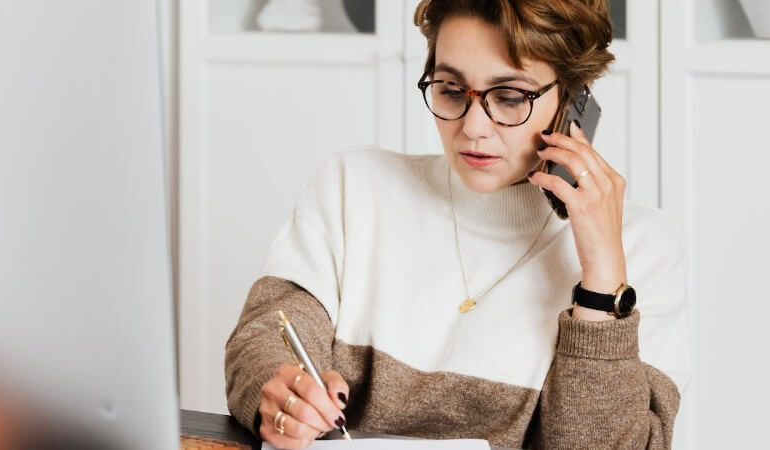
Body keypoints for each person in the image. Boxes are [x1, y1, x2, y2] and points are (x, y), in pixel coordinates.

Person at [225, 1, 689, 449]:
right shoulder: (354, 188)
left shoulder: (641, 248)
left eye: (509, 97)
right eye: (450, 89)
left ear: (574, 98)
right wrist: (281, 392)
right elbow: (265, 339)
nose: (473, 127)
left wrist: (602, 283)